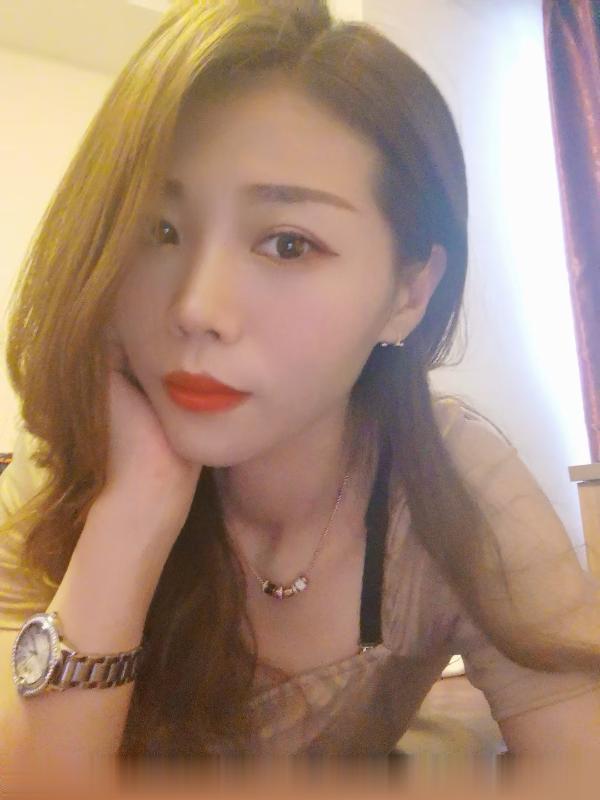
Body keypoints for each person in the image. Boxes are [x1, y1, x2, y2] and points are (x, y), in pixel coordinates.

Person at [1, 0, 599, 764]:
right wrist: (129, 520)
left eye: (288, 244)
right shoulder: (65, 467)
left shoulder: (457, 487)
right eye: (159, 231)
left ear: (408, 293)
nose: (195, 308)